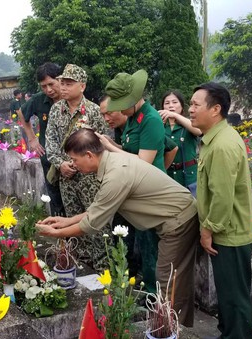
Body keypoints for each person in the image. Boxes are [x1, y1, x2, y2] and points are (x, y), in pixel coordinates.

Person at [36, 128, 199, 327]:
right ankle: (176, 327)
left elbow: (91, 224)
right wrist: (64, 222)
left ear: (89, 155)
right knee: (173, 281)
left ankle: (171, 330)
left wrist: (56, 233)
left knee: (168, 284)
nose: (73, 164)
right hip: (174, 219)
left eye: (75, 159)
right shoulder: (111, 164)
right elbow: (98, 208)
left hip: (179, 221)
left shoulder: (116, 175)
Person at [191, 82, 252, 338]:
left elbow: (222, 197)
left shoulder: (222, 145)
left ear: (216, 109)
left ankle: (237, 334)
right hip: (227, 231)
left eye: (196, 104)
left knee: (234, 297)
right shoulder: (215, 139)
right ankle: (228, 332)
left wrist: (208, 230)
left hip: (229, 233)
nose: (190, 109)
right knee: (228, 293)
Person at [100, 70, 167, 294]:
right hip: (135, 191)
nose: (117, 111)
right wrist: (113, 144)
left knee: (150, 249)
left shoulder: (151, 120)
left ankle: (153, 296)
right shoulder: (132, 120)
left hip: (149, 193)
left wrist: (110, 148)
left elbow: (143, 162)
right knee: (141, 245)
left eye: (121, 105)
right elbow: (129, 151)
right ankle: (147, 290)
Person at [45, 64, 109, 267]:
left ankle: (102, 266)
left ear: (82, 86)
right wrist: (61, 163)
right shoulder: (56, 110)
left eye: (69, 83)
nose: (63, 87)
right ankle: (82, 264)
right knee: (73, 219)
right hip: (67, 177)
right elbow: (51, 143)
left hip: (91, 178)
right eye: (62, 83)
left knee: (97, 221)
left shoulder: (94, 111)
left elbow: (103, 143)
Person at [20, 62, 65, 217]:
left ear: (60, 79)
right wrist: (32, 139)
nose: (49, 90)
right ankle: (62, 237)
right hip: (49, 157)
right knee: (55, 198)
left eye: (51, 84)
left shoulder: (70, 96)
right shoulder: (39, 100)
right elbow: (22, 113)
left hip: (71, 157)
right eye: (44, 86)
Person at [158, 90, 202, 195]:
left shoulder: (188, 124)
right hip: (167, 178)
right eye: (167, 103)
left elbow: (199, 131)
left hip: (190, 178)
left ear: (182, 106)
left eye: (174, 102)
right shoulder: (160, 126)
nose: (170, 106)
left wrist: (175, 116)